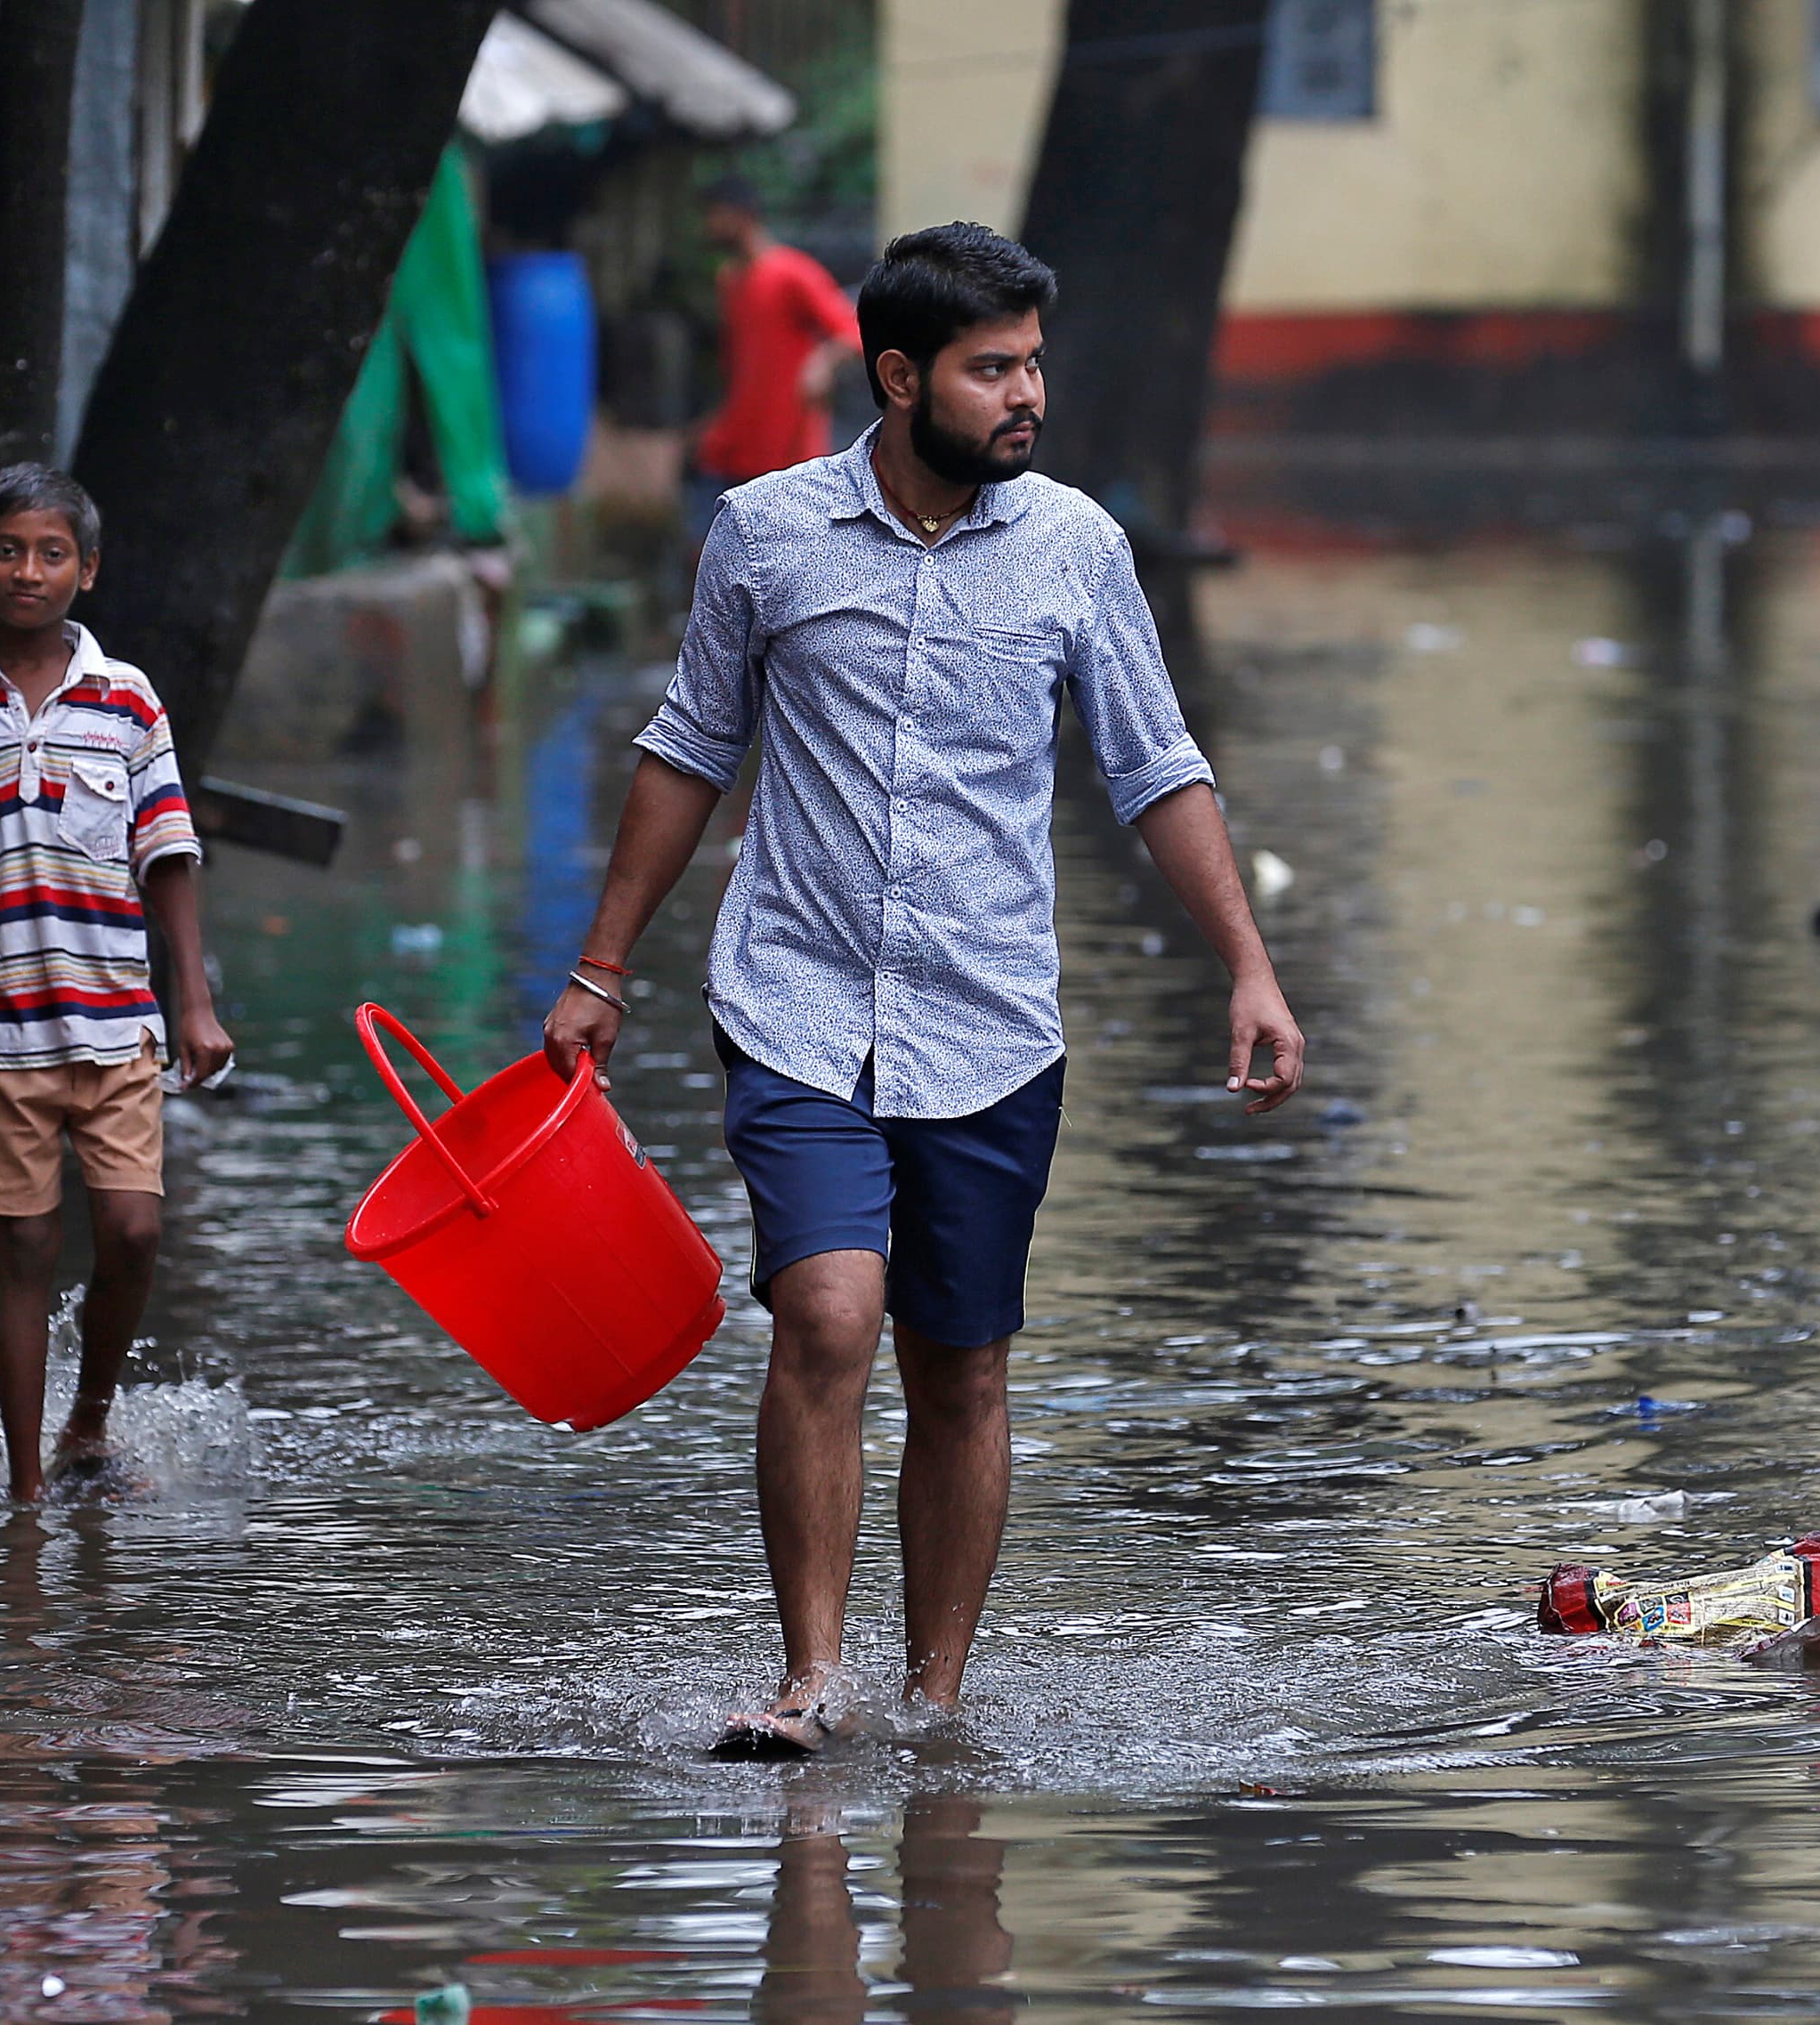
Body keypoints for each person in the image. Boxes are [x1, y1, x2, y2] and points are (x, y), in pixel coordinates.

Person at [542, 222, 1304, 1757]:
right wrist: (599, 967)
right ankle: (812, 1680)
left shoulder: (1078, 548)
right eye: (992, 368)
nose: (1028, 394)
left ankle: (937, 1698)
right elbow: (689, 750)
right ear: (899, 379)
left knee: (958, 1366)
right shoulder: (764, 534)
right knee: (827, 1317)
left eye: (1034, 363)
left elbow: (1155, 770)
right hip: (797, 1001)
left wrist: (1250, 968)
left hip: (991, 1019)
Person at [0, 464, 235, 1503]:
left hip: (116, 1016)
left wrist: (192, 997)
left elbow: (167, 850)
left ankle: (88, 1421)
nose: (29, 571)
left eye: (52, 552)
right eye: (9, 551)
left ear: (88, 569)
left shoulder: (127, 700)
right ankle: (27, 1492)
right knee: (21, 1244)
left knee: (133, 1227)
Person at [692, 174, 861, 517]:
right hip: (738, 444)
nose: (708, 225)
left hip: (788, 448)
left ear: (740, 215)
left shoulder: (791, 272)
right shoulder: (730, 280)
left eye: (714, 214)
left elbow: (853, 331)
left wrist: (822, 363)